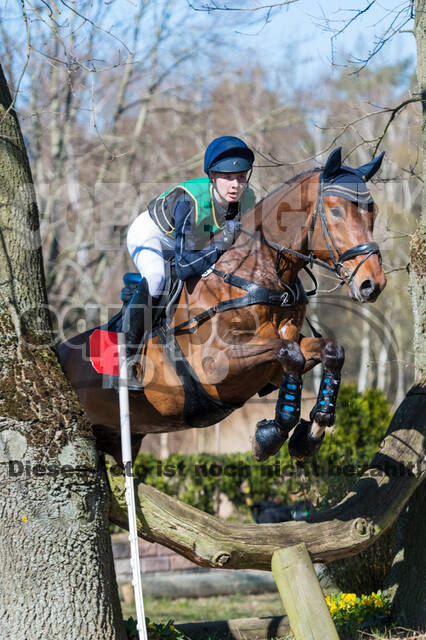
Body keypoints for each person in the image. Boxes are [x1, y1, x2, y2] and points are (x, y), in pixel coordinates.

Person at [124, 136, 256, 360]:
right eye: (228, 177)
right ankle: (127, 349)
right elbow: (185, 266)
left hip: (195, 242)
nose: (236, 185)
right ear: (213, 177)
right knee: (157, 278)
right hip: (153, 236)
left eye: (241, 177)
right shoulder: (191, 200)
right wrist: (223, 244)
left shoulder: (248, 198)